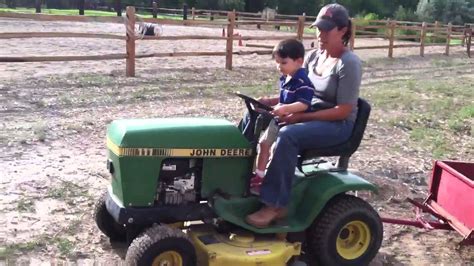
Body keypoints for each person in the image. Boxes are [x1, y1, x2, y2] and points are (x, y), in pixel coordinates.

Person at [246, 3, 362, 228]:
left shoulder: (349, 63)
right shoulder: (313, 58)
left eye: (327, 29)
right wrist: (269, 103)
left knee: (289, 135)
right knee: (256, 116)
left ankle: (276, 205)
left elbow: (344, 110)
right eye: (319, 28)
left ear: (343, 30)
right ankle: (242, 179)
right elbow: (298, 92)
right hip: (308, 113)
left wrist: (301, 118)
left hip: (336, 124)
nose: (320, 34)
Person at [250, 39, 314, 193]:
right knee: (263, 143)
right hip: (279, 120)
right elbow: (283, 99)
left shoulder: (303, 81)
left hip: (291, 122)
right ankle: (259, 175)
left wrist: (285, 108)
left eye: (283, 63)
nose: (279, 66)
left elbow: (304, 104)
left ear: (299, 61)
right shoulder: (286, 78)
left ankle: (269, 181)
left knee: (274, 149)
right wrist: (268, 102)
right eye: (277, 62)